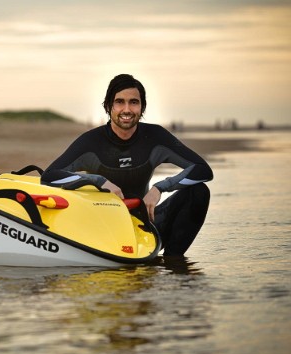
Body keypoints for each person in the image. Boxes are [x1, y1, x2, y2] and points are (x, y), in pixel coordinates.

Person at [41, 74, 213, 256]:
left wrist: (159, 188)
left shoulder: (155, 137)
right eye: (119, 102)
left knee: (199, 192)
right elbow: (50, 175)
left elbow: (203, 170)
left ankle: (173, 265)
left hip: (143, 227)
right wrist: (98, 181)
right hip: (102, 231)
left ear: (142, 107)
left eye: (133, 102)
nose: (127, 109)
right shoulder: (91, 142)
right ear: (109, 106)